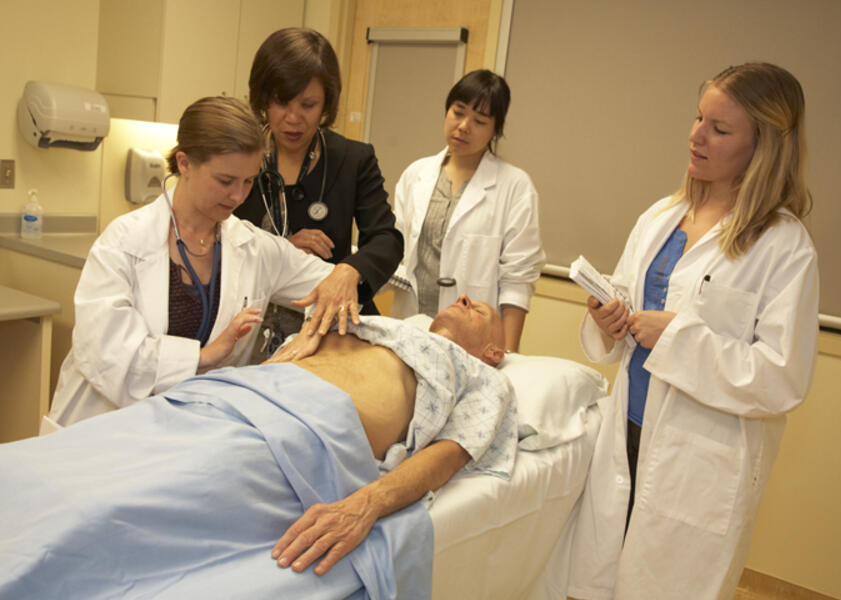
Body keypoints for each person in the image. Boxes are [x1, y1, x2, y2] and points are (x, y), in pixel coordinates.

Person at [1, 297, 515, 599]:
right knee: (60, 462)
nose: (465, 299)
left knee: (99, 509)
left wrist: (366, 504)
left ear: (494, 351)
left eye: (481, 305)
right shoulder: (378, 325)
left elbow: (447, 455)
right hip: (226, 397)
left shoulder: (483, 378)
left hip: (298, 434)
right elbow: (292, 346)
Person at [567, 63, 820, 600]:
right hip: (628, 431)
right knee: (601, 578)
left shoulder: (783, 245)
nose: (696, 135)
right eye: (698, 117)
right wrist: (608, 320)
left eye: (720, 128)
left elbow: (781, 378)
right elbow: (629, 308)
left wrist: (679, 338)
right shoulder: (662, 215)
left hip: (698, 460)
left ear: (763, 146)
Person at [48, 96, 336, 427]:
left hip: (195, 430)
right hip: (106, 426)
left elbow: (334, 285)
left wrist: (323, 313)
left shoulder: (253, 247)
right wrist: (203, 356)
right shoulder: (124, 242)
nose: (238, 196)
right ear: (184, 163)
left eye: (248, 181)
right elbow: (109, 355)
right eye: (225, 181)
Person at [234, 27, 403, 353]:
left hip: (330, 326)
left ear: (327, 103)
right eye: (281, 102)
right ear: (262, 98)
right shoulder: (240, 156)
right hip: (249, 323)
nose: (293, 118)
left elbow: (386, 240)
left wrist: (349, 270)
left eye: (308, 104)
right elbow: (218, 239)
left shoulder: (353, 159)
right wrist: (282, 250)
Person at [389, 69, 545, 352]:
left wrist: (508, 354)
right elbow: (394, 249)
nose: (463, 126)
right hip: (410, 326)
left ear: (496, 129)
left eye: (480, 120)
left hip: (472, 343)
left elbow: (517, 281)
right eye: (457, 112)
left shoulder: (515, 186)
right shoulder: (416, 174)